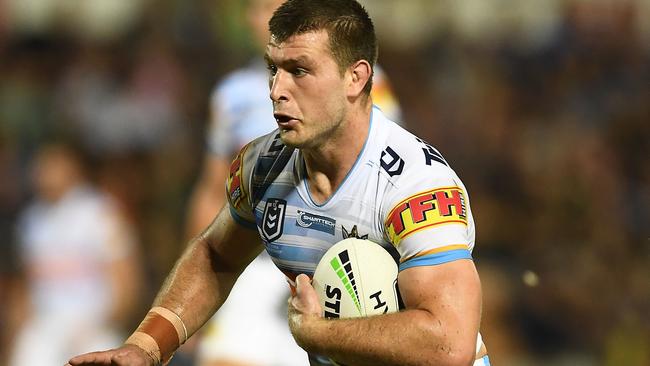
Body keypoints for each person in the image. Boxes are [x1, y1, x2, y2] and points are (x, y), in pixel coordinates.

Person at [67, 1, 489, 365]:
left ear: (356, 78)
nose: (276, 90)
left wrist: (317, 333)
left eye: (299, 70)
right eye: (274, 69)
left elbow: (448, 344)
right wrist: (146, 347)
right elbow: (216, 255)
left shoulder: (418, 188)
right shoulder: (262, 167)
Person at [188, 1, 402, 365]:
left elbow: (386, 166)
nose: (267, 20)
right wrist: (199, 286)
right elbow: (212, 189)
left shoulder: (363, 78)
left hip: (333, 261)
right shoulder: (232, 95)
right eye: (258, 10)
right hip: (256, 262)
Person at [9, 140, 142, 366]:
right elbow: (24, 287)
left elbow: (126, 281)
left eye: (52, 164)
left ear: (72, 166)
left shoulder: (101, 212)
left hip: (94, 325)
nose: (44, 172)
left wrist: (104, 324)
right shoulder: (31, 220)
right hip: (46, 327)